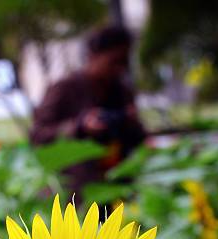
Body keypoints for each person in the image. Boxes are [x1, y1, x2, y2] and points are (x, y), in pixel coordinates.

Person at [30, 24, 145, 202]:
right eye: (114, 61)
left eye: (124, 62)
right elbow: (38, 135)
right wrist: (80, 127)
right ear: (93, 55)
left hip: (117, 187)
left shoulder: (122, 91)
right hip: (76, 192)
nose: (119, 68)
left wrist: (132, 122)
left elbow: (137, 139)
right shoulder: (64, 88)